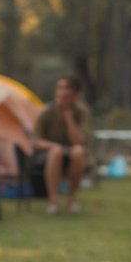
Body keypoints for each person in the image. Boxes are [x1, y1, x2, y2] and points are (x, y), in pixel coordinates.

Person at [32, 75, 92, 214]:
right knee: (56, 151)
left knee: (78, 151)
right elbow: (36, 141)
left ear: (75, 94)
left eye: (66, 88)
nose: (62, 92)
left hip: (73, 157)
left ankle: (71, 199)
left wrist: (68, 117)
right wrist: (53, 146)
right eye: (59, 88)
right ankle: (53, 201)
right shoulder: (47, 111)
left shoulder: (81, 112)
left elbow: (79, 141)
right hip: (48, 157)